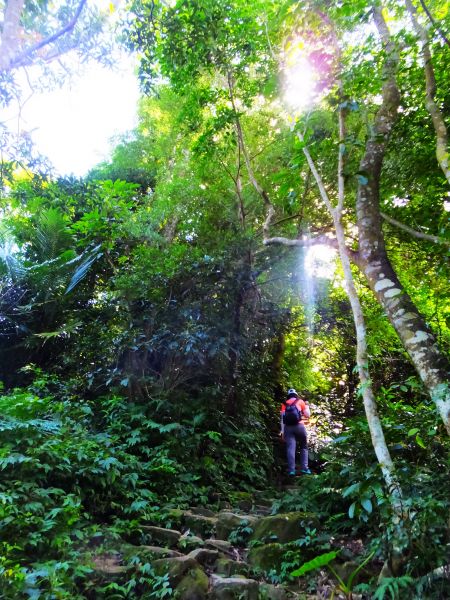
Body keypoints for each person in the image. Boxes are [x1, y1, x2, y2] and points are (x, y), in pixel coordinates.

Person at [280, 388, 311, 476]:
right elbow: (307, 415)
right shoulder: (300, 401)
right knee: (304, 447)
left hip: (288, 428)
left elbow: (282, 420)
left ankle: (291, 470)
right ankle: (305, 469)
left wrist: (282, 432)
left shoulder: (284, 404)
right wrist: (307, 406)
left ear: (288, 396)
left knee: (290, 448)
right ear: (296, 394)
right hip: (299, 426)